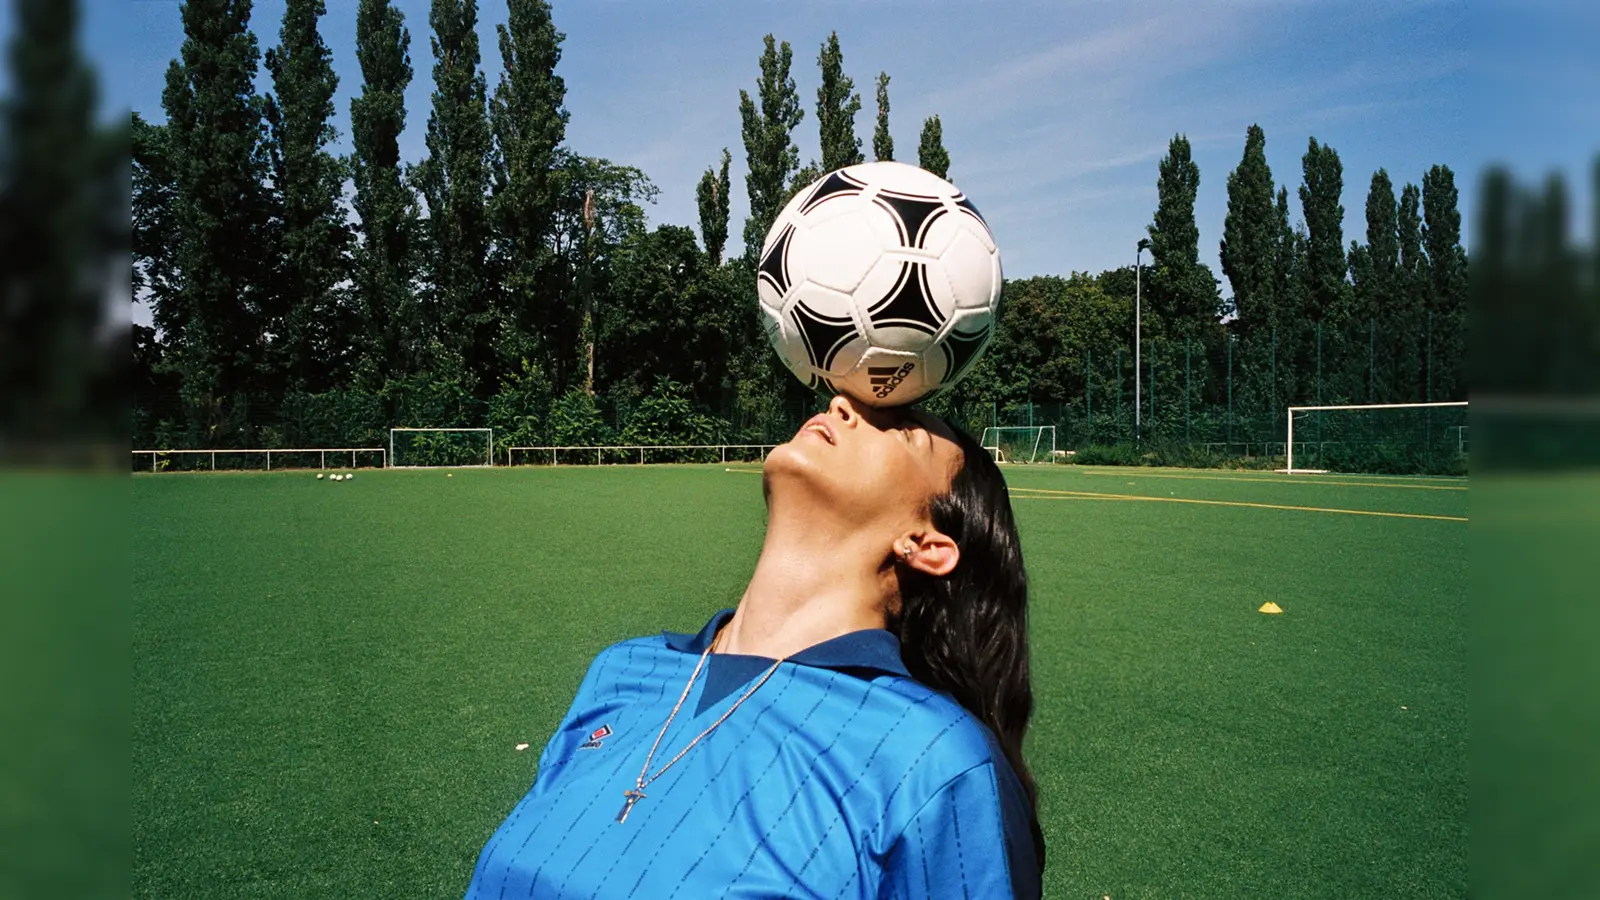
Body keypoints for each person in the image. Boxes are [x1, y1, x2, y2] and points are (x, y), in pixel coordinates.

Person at [464, 394, 1044, 899]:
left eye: (904, 430)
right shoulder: (621, 671)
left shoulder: (936, 760)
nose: (840, 404)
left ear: (925, 544)